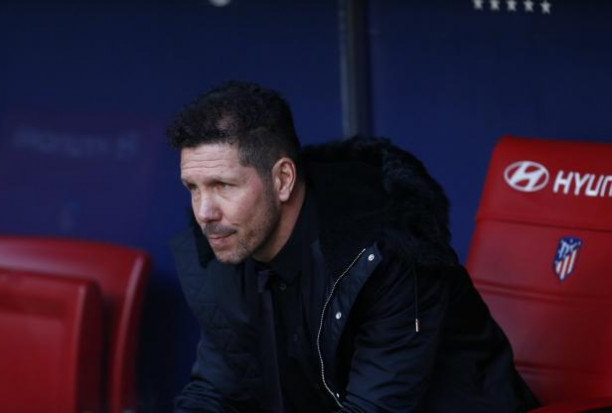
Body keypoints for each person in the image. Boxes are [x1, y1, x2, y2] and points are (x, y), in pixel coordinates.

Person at [167, 80, 539, 412]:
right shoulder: (229, 246)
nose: (204, 212)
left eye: (223, 185)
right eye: (193, 188)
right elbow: (216, 391)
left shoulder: (385, 251)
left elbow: (375, 408)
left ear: (282, 180)